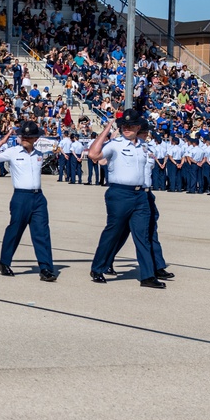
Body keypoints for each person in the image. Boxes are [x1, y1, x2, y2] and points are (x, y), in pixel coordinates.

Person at [87, 109, 166, 289]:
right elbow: (93, 154)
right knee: (113, 232)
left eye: (131, 125)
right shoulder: (115, 144)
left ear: (138, 127)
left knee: (143, 236)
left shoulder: (143, 146)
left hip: (140, 195)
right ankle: (98, 268)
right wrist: (108, 127)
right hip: (119, 194)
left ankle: (147, 275)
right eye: (124, 125)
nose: (127, 128)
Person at [0, 121, 57, 282]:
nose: (25, 138)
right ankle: (4, 262)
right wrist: (1, 143)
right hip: (21, 197)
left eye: (29, 136)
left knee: (42, 233)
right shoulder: (12, 152)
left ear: (35, 138)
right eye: (23, 135)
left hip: (38, 197)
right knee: (15, 230)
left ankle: (45, 268)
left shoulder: (39, 154)